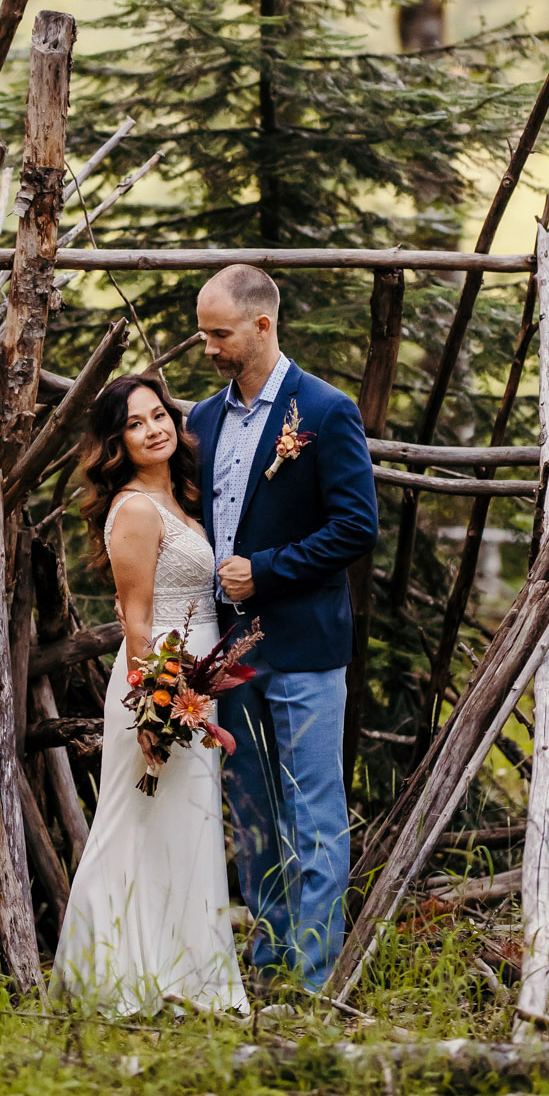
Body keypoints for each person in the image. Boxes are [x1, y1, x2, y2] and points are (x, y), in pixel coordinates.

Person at [188, 264, 379, 992]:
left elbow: (355, 528)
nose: (207, 346)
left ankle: (314, 978)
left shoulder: (324, 412)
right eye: (202, 332)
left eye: (219, 333)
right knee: (251, 812)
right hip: (228, 653)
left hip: (302, 648)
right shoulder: (203, 419)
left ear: (263, 326)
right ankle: (267, 967)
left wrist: (263, 570)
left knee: (313, 813)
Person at [50, 373, 249, 1016]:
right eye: (134, 424)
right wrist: (152, 706)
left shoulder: (183, 498)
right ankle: (110, 977)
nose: (153, 429)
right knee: (132, 825)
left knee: (183, 830)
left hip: (196, 682)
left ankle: (187, 978)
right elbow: (134, 617)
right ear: (117, 442)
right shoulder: (135, 508)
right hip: (160, 681)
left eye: (158, 415)